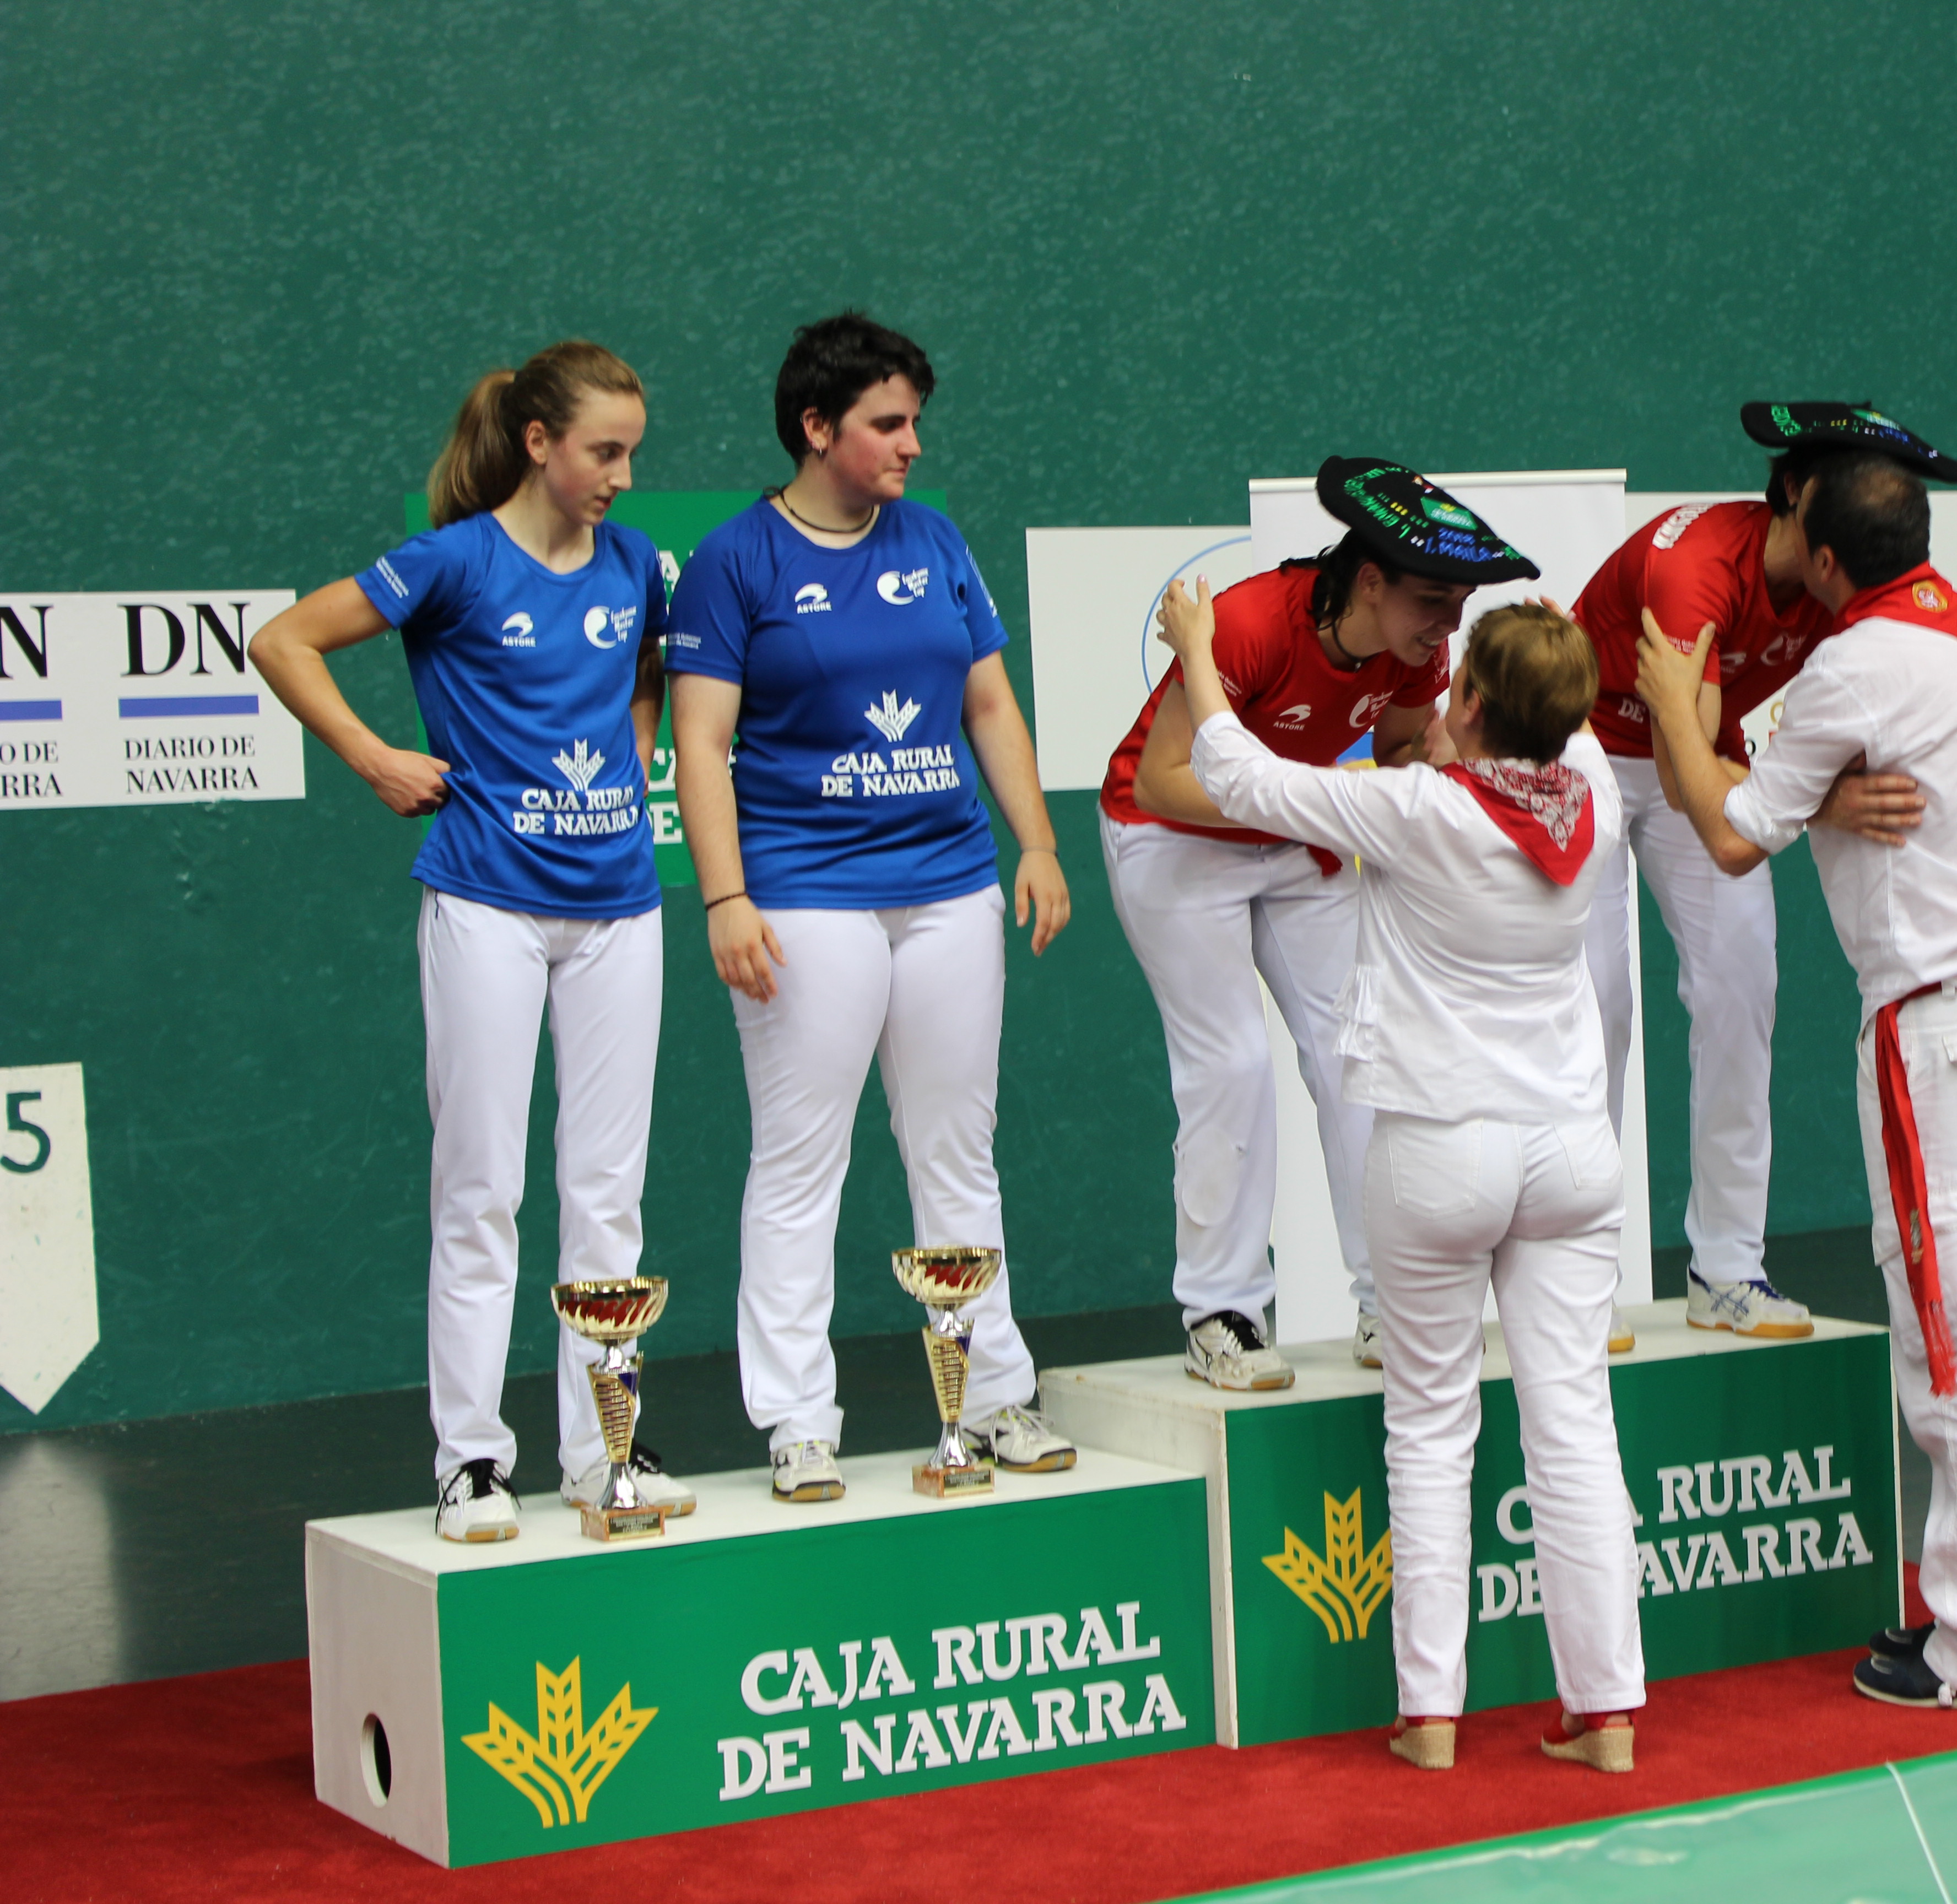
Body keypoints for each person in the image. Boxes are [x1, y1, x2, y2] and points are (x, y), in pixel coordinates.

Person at [1158, 575, 1645, 1772]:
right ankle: (1609, 1717)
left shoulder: (1420, 810)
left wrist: (1196, 648)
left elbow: (1238, 776)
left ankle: (1430, 1716)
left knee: (1430, 1427)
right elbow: (1562, 718)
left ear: (1465, 703)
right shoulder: (1595, 799)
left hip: (1439, 1151)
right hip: (1572, 1154)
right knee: (1575, 1425)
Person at [1636, 446, 1957, 1714]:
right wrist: (1831, 800)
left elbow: (1730, 834)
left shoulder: (1850, 665)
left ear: (1826, 559)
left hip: (1950, 1038)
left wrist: (1674, 706)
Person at [251, 340, 683, 1542]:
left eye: (633, 453)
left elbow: (647, 666)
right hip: (488, 902)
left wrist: (636, 742)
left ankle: (603, 1454)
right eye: (603, 452)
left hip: (619, 909)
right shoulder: (452, 560)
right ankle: (473, 1463)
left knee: (609, 1194)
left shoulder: (634, 562)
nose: (623, 477)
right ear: (538, 444)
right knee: (483, 1189)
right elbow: (283, 640)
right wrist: (374, 757)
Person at [667, 313, 1073, 1505]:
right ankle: (798, 1420)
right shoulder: (736, 560)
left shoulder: (935, 538)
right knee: (803, 1162)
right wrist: (725, 896)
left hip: (948, 886)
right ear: (816, 427)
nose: (911, 444)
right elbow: (700, 742)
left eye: (915, 422)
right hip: (804, 895)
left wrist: (1037, 844)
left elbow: (988, 705)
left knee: (958, 1150)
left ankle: (992, 1397)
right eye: (887, 424)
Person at [1100, 458, 1527, 1388]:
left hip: (1294, 831)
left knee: (1359, 1054)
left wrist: (1440, 780)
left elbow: (1402, 744)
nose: (1447, 625)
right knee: (1231, 1066)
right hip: (1171, 835)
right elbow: (1161, 781)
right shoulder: (1252, 625)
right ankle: (1221, 1314)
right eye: (1432, 601)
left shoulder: (1419, 650)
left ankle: (1391, 1301)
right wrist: (1316, 804)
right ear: (1369, 581)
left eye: (1460, 605)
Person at [1572, 403, 1952, 1343]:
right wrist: (1820, 804)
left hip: (1706, 756)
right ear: (1794, 491)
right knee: (1597, 1005)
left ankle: (1728, 1269)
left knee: (1742, 986)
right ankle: (1575, 1284)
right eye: (1845, 479)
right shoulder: (1695, 568)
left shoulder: (1840, 587)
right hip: (1586, 749)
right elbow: (1683, 776)